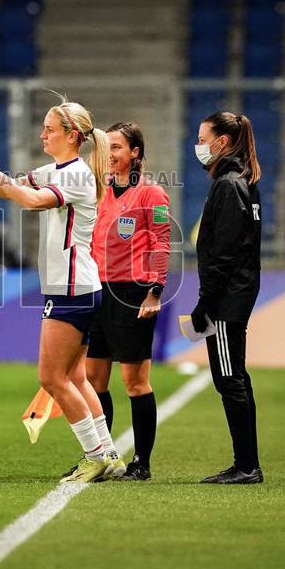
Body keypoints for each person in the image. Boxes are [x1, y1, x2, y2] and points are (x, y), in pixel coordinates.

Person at [0, 98, 121, 483]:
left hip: (71, 289)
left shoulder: (75, 176)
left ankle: (94, 457)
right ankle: (109, 454)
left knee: (52, 378)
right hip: (78, 286)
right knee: (77, 377)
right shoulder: (60, 170)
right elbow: (10, 189)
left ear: (72, 136)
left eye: (49, 129)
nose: (42, 134)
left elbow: (30, 200)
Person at [83, 122, 170, 481]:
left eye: (117, 147)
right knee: (94, 379)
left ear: (135, 153)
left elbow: (162, 243)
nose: (111, 154)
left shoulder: (152, 194)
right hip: (95, 291)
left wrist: (155, 290)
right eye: (108, 148)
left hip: (133, 292)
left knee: (135, 382)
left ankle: (142, 463)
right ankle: (104, 456)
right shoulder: (98, 191)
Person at [190, 111, 263, 485]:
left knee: (229, 378)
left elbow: (225, 252)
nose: (198, 146)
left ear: (222, 142)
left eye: (203, 139)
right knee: (236, 378)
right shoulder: (241, 181)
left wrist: (206, 302)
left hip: (227, 297)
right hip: (237, 292)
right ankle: (247, 463)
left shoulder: (229, 184)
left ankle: (247, 465)